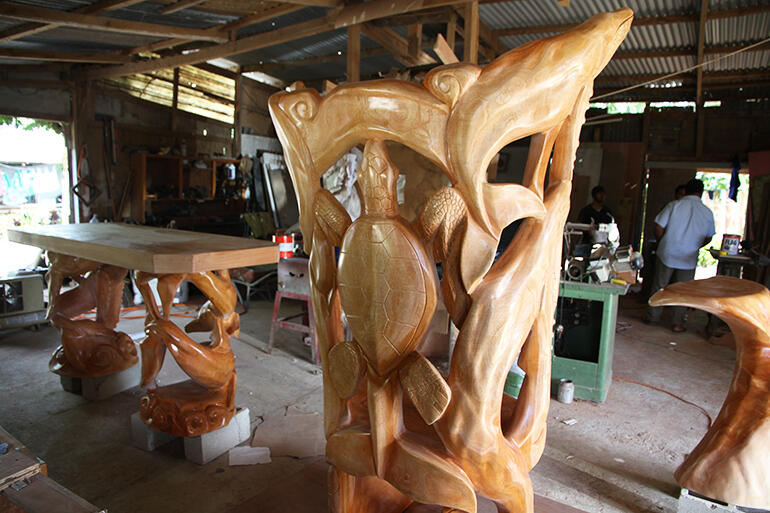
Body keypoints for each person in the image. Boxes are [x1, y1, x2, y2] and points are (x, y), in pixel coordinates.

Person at [644, 178, 715, 332]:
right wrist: (695, 246)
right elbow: (708, 237)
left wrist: (662, 241)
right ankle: (677, 323)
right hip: (688, 258)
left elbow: (658, 226)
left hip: (667, 253)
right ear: (701, 193)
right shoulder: (707, 212)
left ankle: (653, 317)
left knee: (660, 287)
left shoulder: (674, 205)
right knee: (683, 291)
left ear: (686, 190)